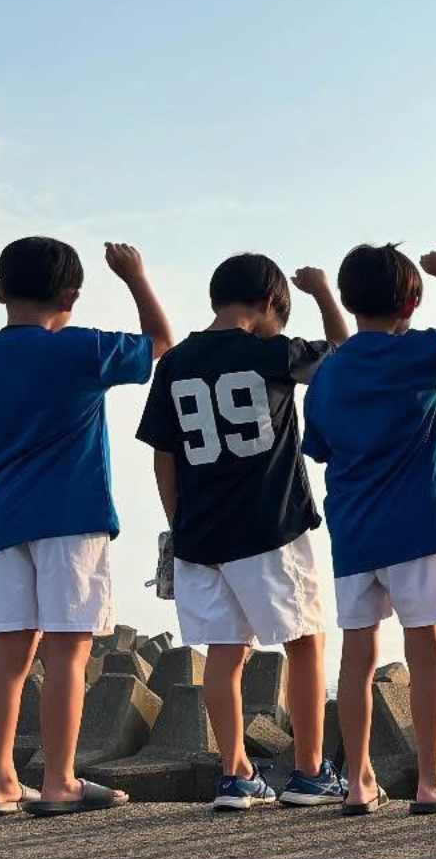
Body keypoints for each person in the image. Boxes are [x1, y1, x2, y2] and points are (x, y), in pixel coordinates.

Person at [0, 237, 173, 818]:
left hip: (3, 523)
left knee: (7, 654)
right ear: (71, 297)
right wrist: (135, 277)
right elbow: (162, 344)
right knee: (68, 652)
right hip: (73, 518)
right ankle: (60, 781)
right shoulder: (82, 349)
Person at [137, 254, 351, 811]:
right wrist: (323, 294)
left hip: (200, 534)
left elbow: (164, 455)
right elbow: (345, 353)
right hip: (270, 524)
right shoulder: (272, 352)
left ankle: (235, 774)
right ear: (269, 304)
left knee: (225, 653)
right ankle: (310, 771)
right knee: (305, 641)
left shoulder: (175, 363)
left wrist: (178, 524)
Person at [303, 244, 436, 816]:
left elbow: (320, 447)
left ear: (349, 300)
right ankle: (430, 780)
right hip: (415, 527)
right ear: (410, 303)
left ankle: (359, 782)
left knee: (356, 657)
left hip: (353, 531)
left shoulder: (328, 374)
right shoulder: (421, 353)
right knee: (425, 648)